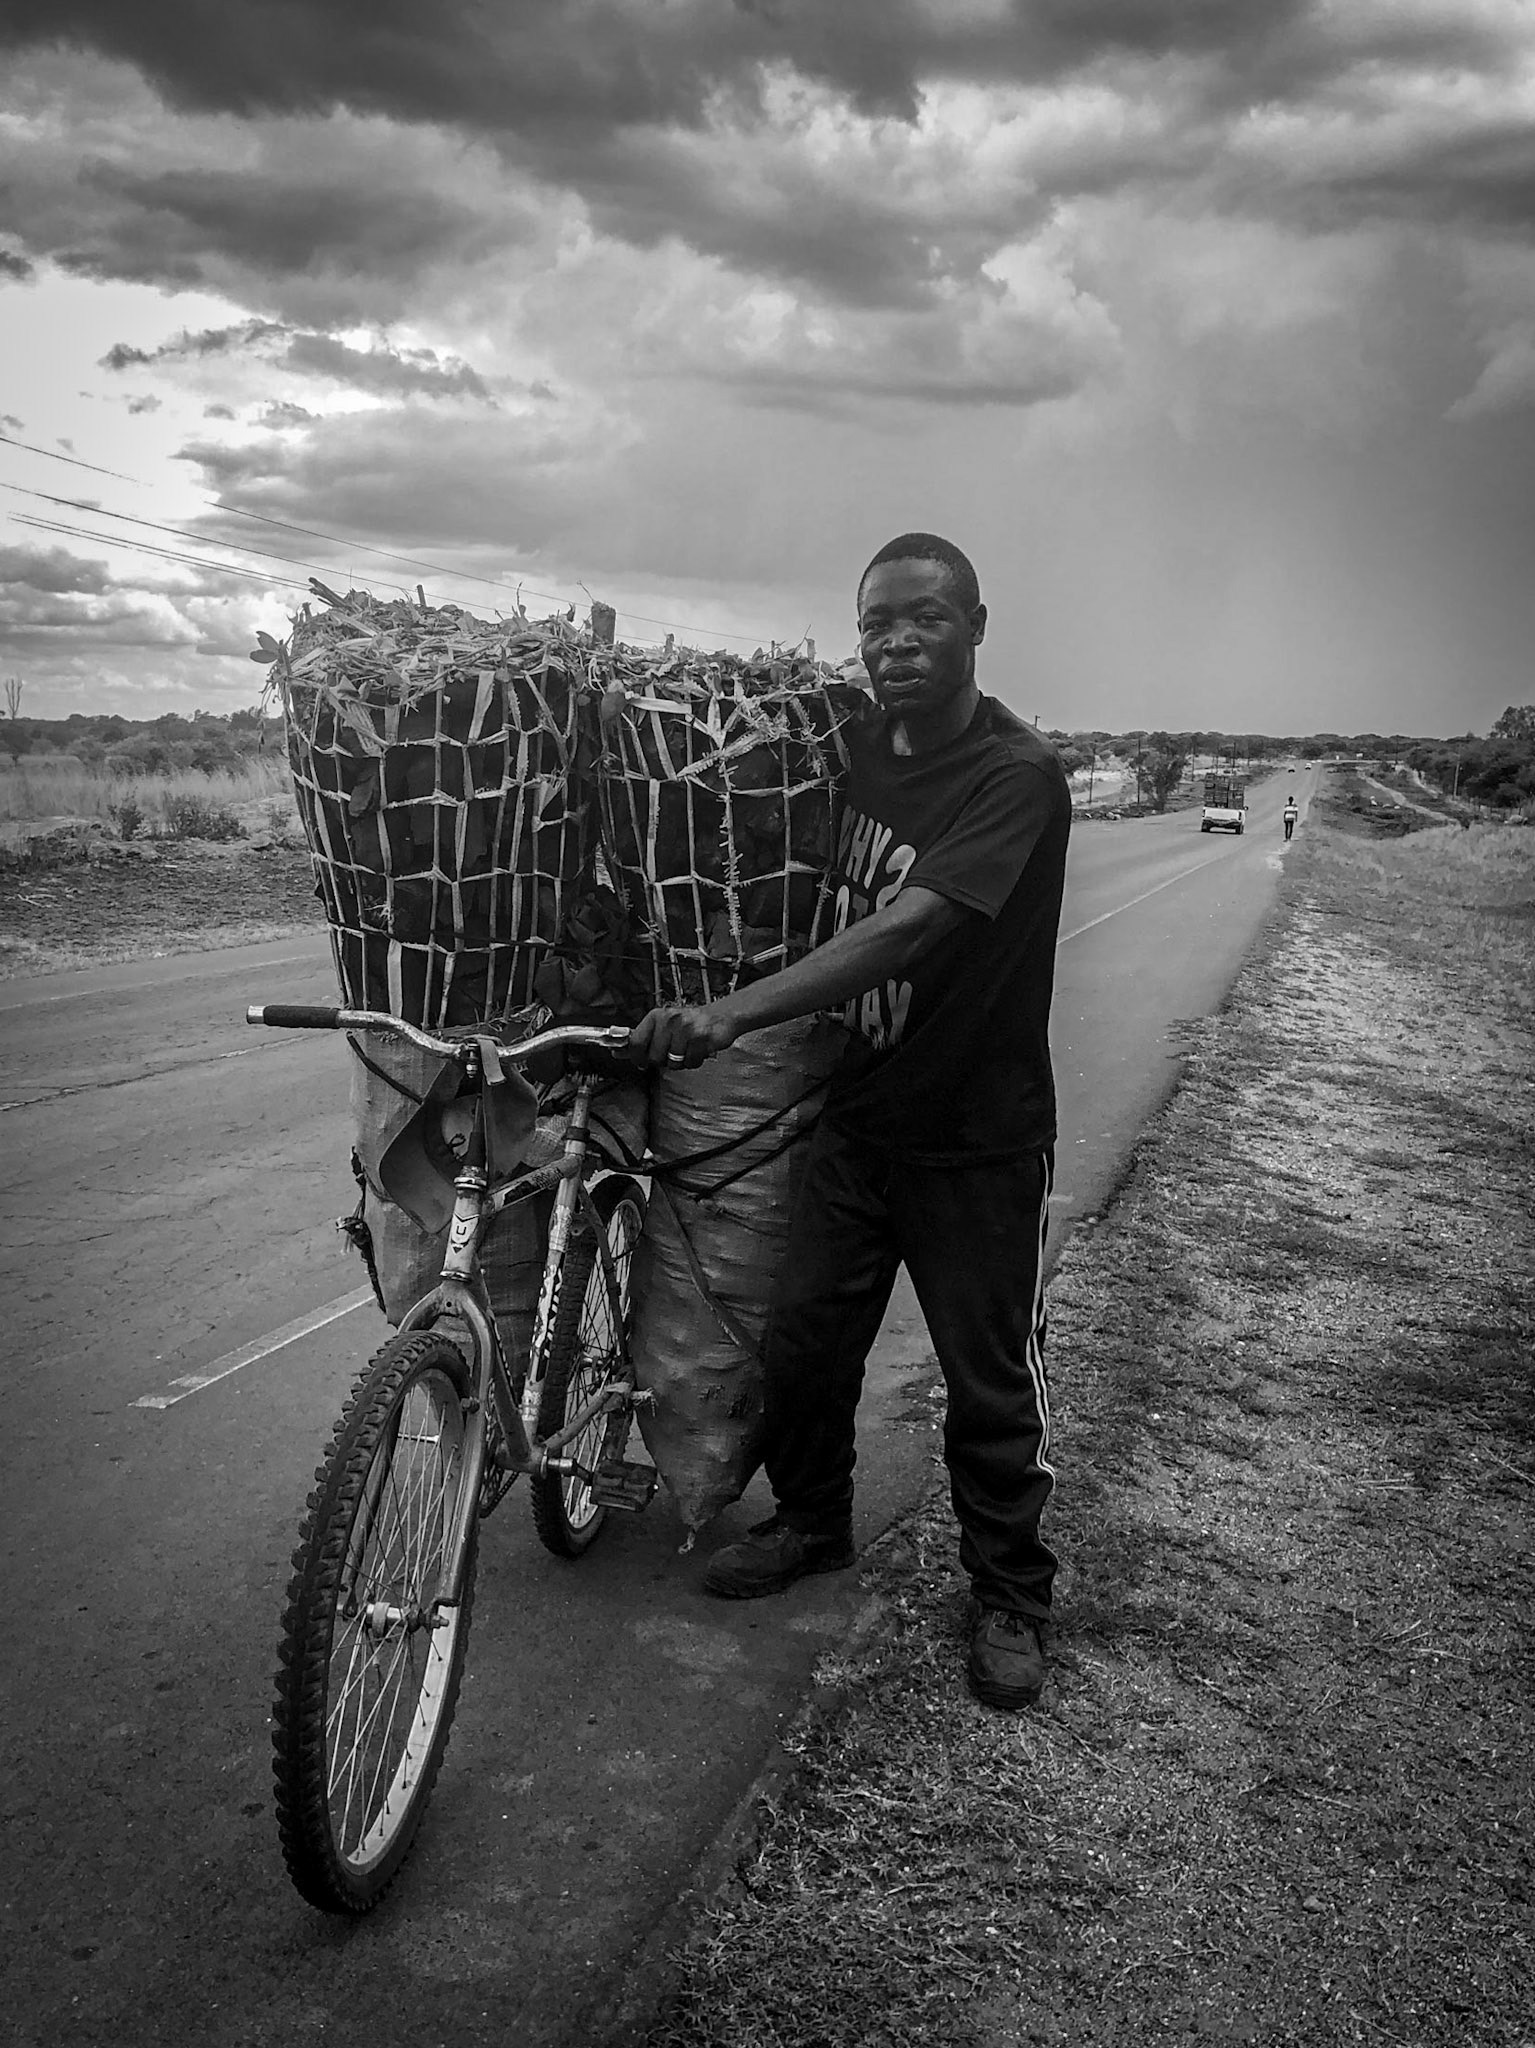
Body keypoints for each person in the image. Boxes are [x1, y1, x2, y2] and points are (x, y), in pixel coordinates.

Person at [629, 532, 1071, 1710]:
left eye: (924, 618)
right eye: (876, 622)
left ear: (978, 623)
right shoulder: (850, 748)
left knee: (986, 1381)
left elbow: (911, 923)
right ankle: (813, 1522)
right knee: (803, 1347)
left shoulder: (1012, 774)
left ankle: (1011, 1594)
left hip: (976, 1139)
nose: (896, 642)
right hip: (854, 1115)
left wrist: (730, 1014)